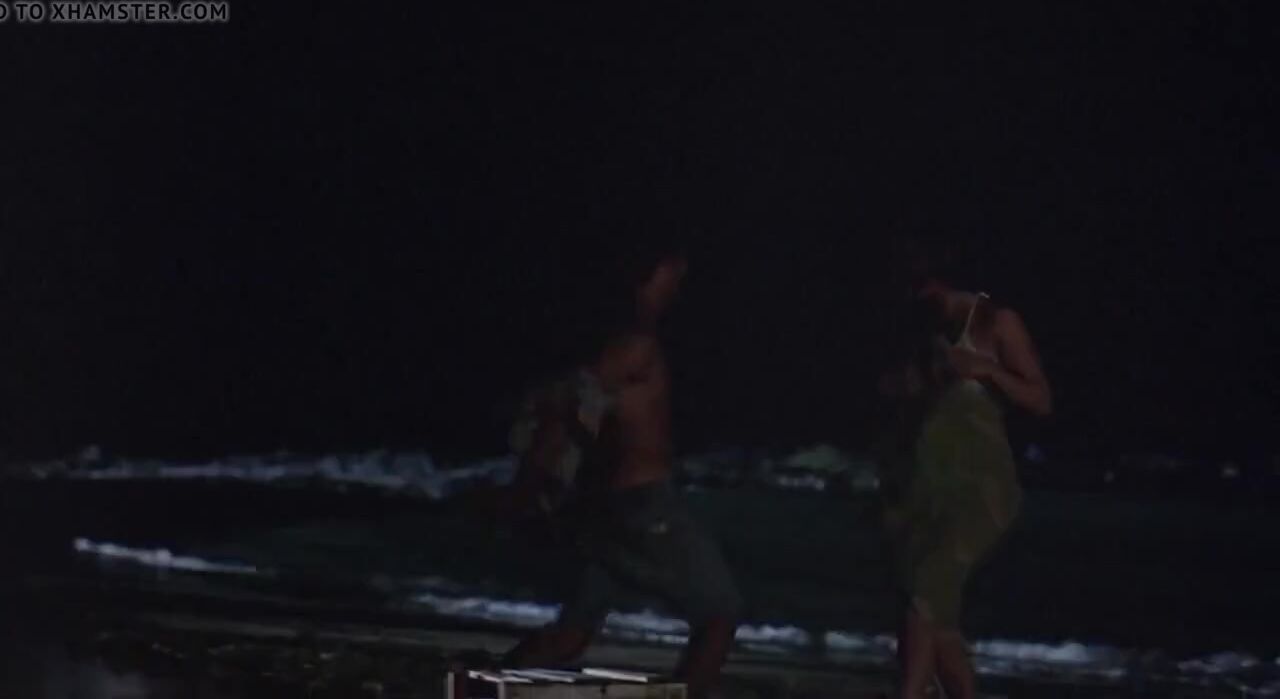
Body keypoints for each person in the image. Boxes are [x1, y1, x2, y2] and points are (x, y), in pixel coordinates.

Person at [500, 239, 741, 699]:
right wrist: (531, 484)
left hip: (603, 510)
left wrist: (541, 483)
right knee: (720, 614)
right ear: (652, 276)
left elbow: (575, 406)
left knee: (572, 634)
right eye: (671, 273)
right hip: (641, 506)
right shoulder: (635, 345)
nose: (678, 285)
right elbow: (576, 403)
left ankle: (488, 691)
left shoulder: (612, 340)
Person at [878, 238, 1051, 699]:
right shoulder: (916, 329)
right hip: (921, 489)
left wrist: (987, 370)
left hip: (980, 492)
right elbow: (899, 403)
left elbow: (1040, 399)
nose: (917, 298)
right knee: (939, 619)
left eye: (923, 288)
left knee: (925, 596)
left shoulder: (995, 321)